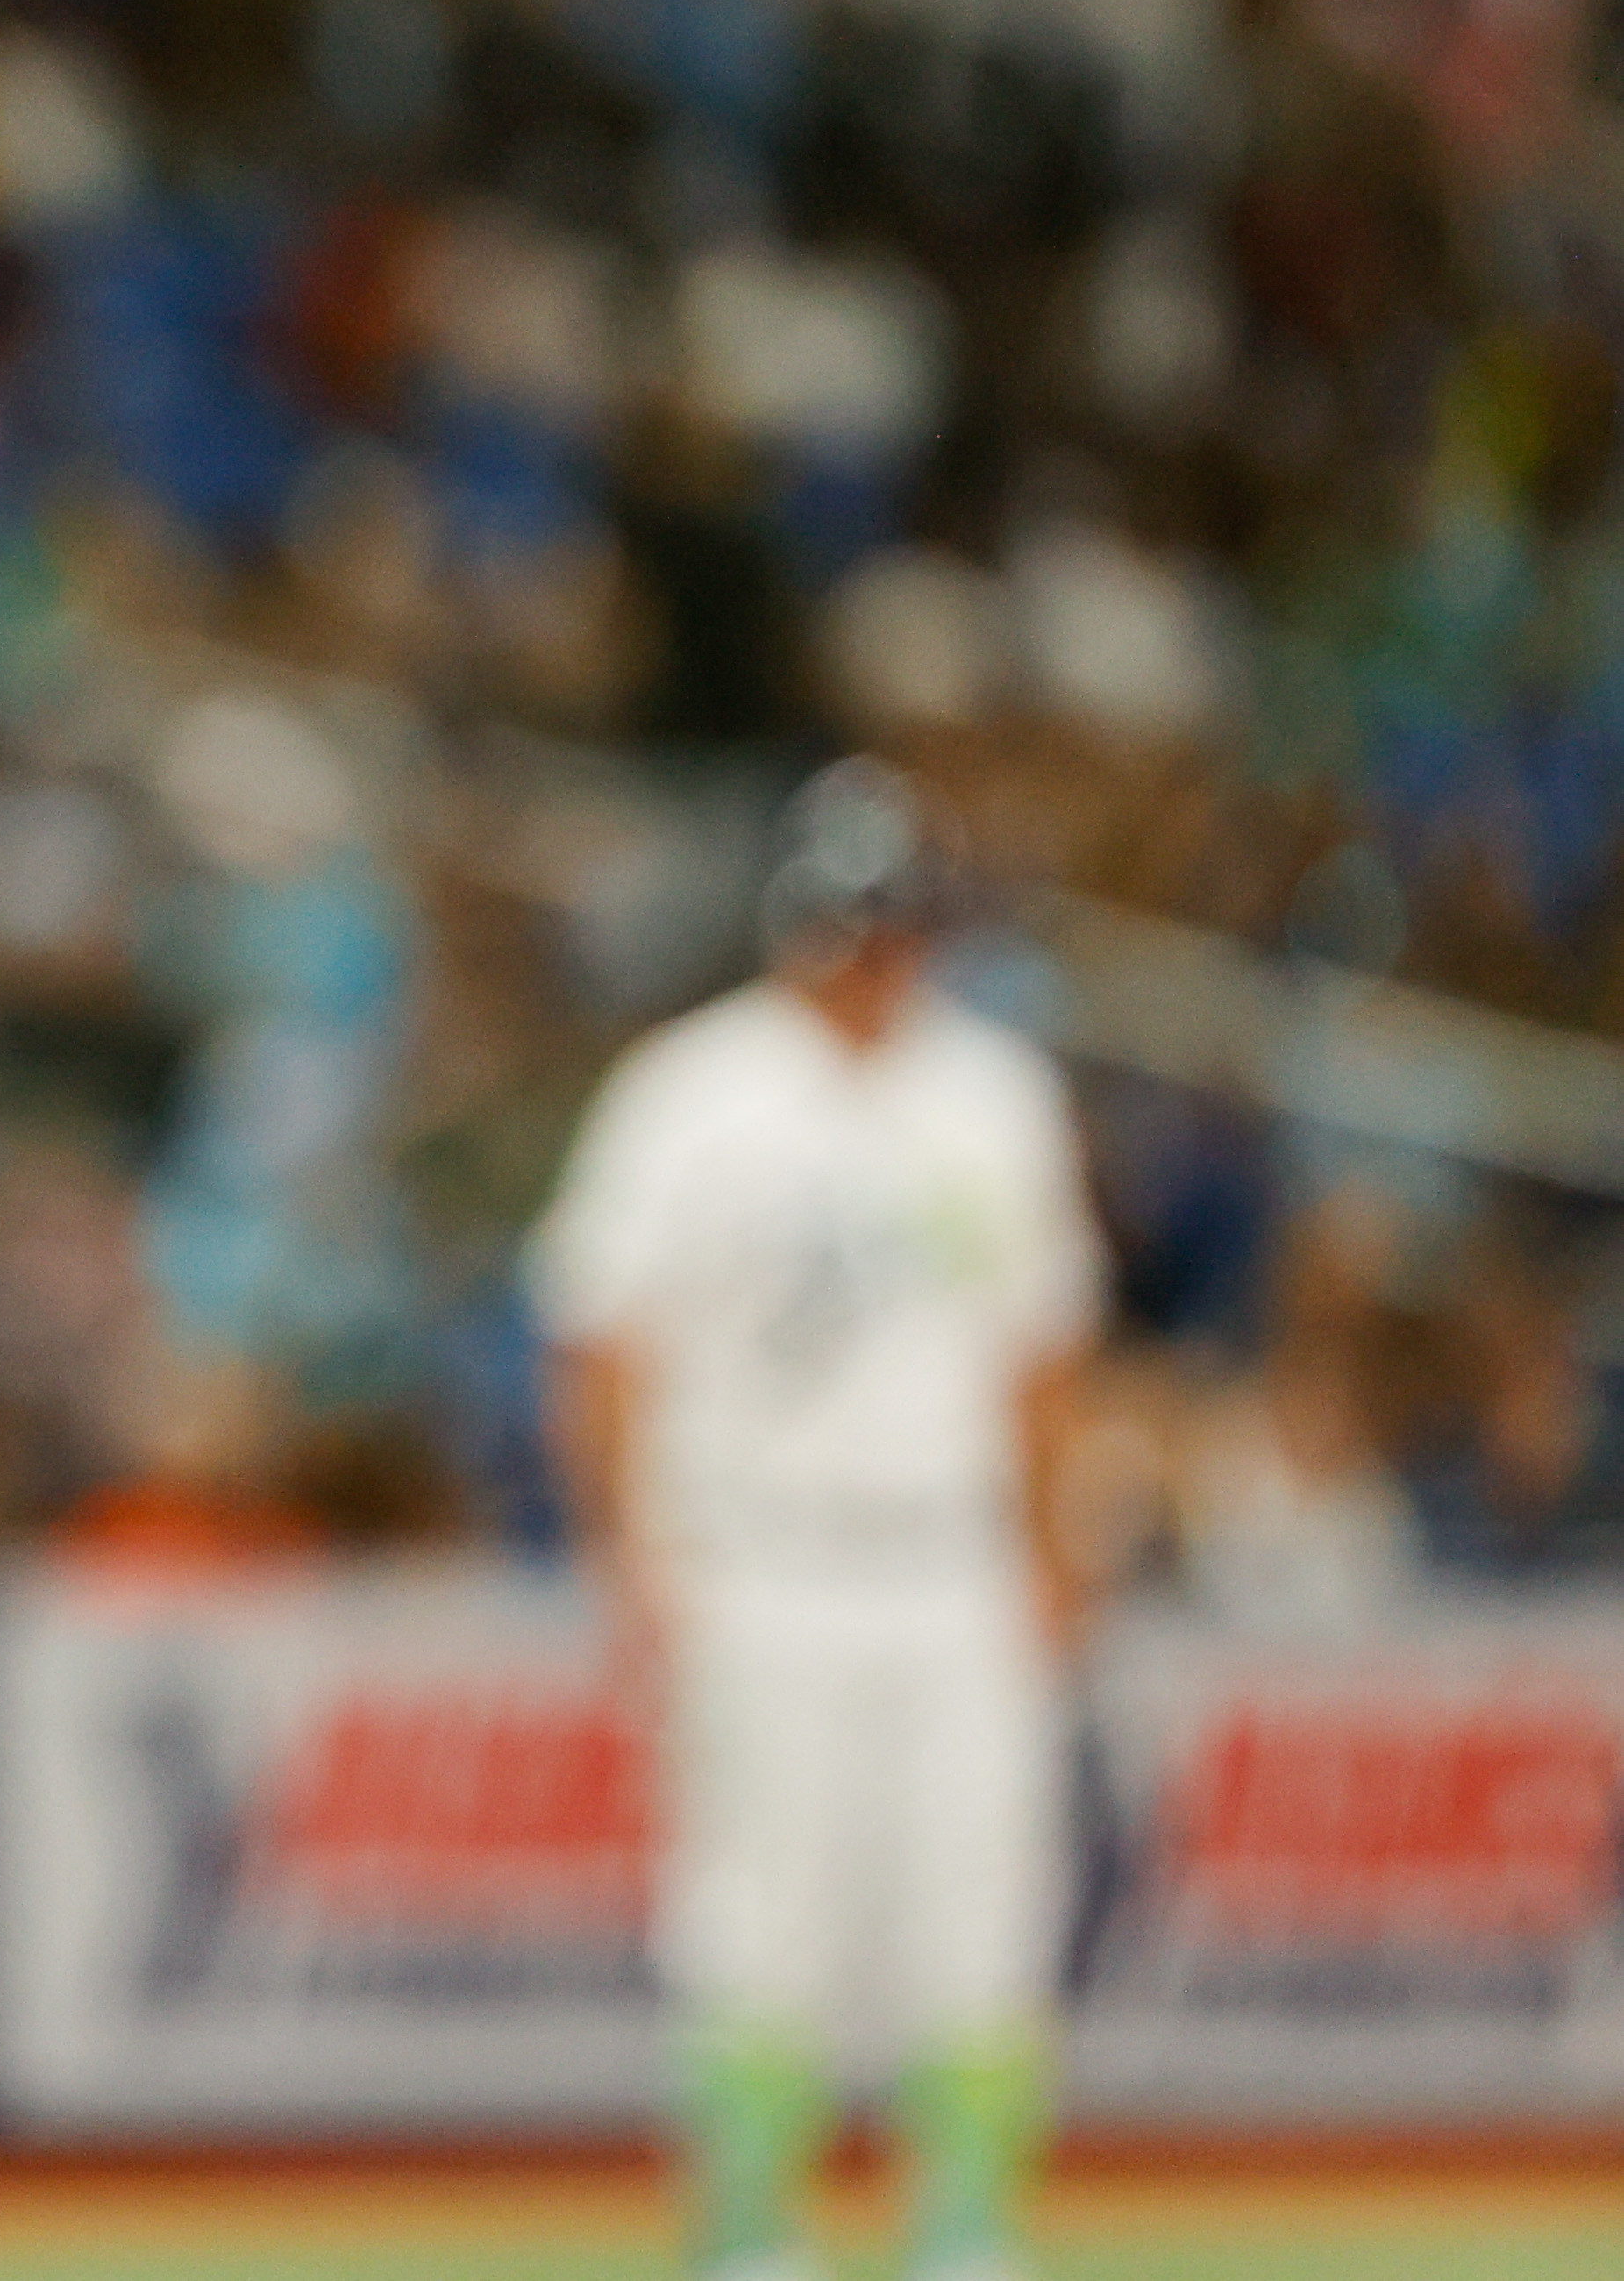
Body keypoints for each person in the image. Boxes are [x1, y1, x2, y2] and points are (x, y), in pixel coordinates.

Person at [531, 760, 1100, 2281]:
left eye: (909, 919)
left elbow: (1044, 1352)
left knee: (979, 1911)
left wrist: (1053, 1549)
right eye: (865, 916)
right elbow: (601, 1347)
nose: (887, 948)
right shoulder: (692, 1092)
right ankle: (751, 2234)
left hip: (950, 1553)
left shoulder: (994, 1091)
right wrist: (625, 1550)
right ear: (805, 914)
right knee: (752, 1921)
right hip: (761, 1552)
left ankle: (966, 2233)